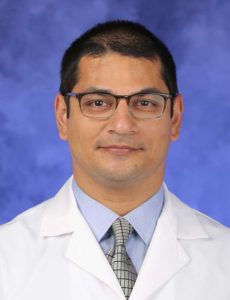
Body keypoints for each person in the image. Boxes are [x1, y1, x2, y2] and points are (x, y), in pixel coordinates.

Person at [0, 20, 229, 300]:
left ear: (175, 118)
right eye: (98, 102)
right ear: (63, 116)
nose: (122, 125)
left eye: (145, 103)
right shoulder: (7, 257)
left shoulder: (224, 257)